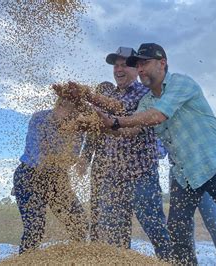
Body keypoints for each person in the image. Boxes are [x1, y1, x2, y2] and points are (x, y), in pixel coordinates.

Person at [94, 43, 216, 265]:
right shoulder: (147, 100)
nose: (140, 69)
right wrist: (98, 124)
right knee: (177, 231)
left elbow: (158, 116)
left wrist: (115, 121)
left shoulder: (181, 83)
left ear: (162, 63)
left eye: (145, 63)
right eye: (138, 65)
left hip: (214, 165)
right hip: (184, 175)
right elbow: (131, 130)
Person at [76, 47, 172, 260]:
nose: (118, 69)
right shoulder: (107, 93)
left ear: (137, 68)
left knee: (154, 226)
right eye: (115, 65)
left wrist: (90, 101)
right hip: (112, 177)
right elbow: (95, 124)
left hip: (141, 174)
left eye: (124, 65)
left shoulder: (144, 93)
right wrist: (80, 108)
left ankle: (170, 262)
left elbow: (123, 115)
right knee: (114, 233)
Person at [12, 94, 88, 254]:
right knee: (35, 228)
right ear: (58, 105)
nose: (64, 110)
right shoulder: (39, 118)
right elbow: (35, 154)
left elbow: (71, 158)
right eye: (62, 104)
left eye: (73, 111)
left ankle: (76, 258)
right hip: (29, 176)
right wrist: (63, 157)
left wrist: (70, 158)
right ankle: (25, 262)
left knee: (79, 221)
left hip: (57, 178)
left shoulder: (79, 127)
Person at [157, 139, 216, 265]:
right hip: (179, 175)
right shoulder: (165, 127)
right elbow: (160, 152)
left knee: (213, 222)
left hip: (202, 173)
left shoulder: (193, 125)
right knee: (184, 225)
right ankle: (189, 260)